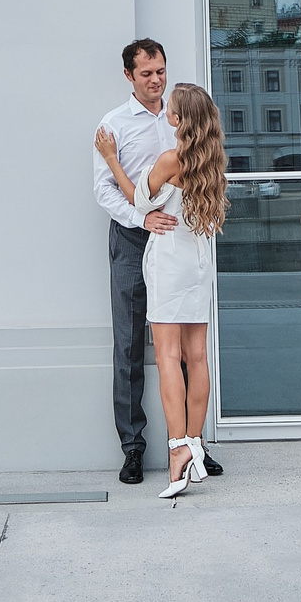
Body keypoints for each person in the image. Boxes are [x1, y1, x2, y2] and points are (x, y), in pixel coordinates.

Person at [92, 39, 225, 486]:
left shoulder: (180, 121)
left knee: (186, 353)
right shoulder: (112, 125)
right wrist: (142, 217)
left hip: (176, 247)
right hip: (133, 241)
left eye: (161, 71)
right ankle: (134, 448)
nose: (156, 80)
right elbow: (104, 189)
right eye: (147, 73)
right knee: (129, 347)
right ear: (129, 76)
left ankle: (193, 445)